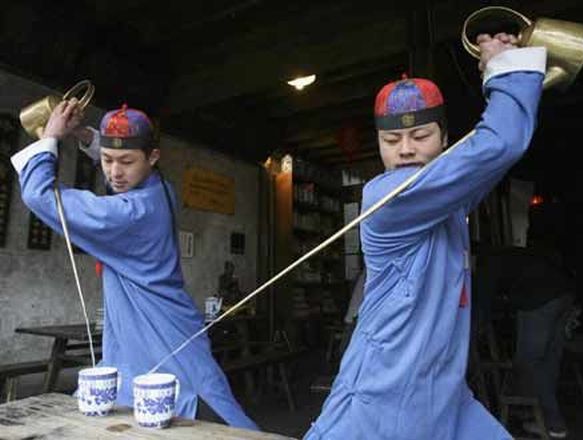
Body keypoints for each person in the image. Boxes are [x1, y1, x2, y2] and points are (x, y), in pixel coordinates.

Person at [304, 34, 546, 440]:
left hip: (443, 392)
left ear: (446, 139)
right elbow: (500, 144)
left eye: (420, 137)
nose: (405, 151)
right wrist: (507, 71)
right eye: (391, 140)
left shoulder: (446, 198)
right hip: (385, 394)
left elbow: (483, 163)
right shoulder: (388, 198)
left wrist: (498, 68)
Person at [11, 103, 258, 429]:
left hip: (162, 341)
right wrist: (83, 134)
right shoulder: (162, 188)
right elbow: (122, 159)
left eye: (126, 162)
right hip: (154, 335)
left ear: (153, 157)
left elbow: (40, 195)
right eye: (107, 160)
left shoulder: (131, 214)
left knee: (218, 423)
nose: (114, 172)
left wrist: (53, 137)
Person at [474, 223, 574, 438]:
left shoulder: (487, 264)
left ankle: (552, 421)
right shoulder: (506, 255)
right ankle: (548, 421)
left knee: (529, 362)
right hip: (563, 293)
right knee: (550, 360)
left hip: (539, 299)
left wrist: (475, 329)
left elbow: (482, 304)